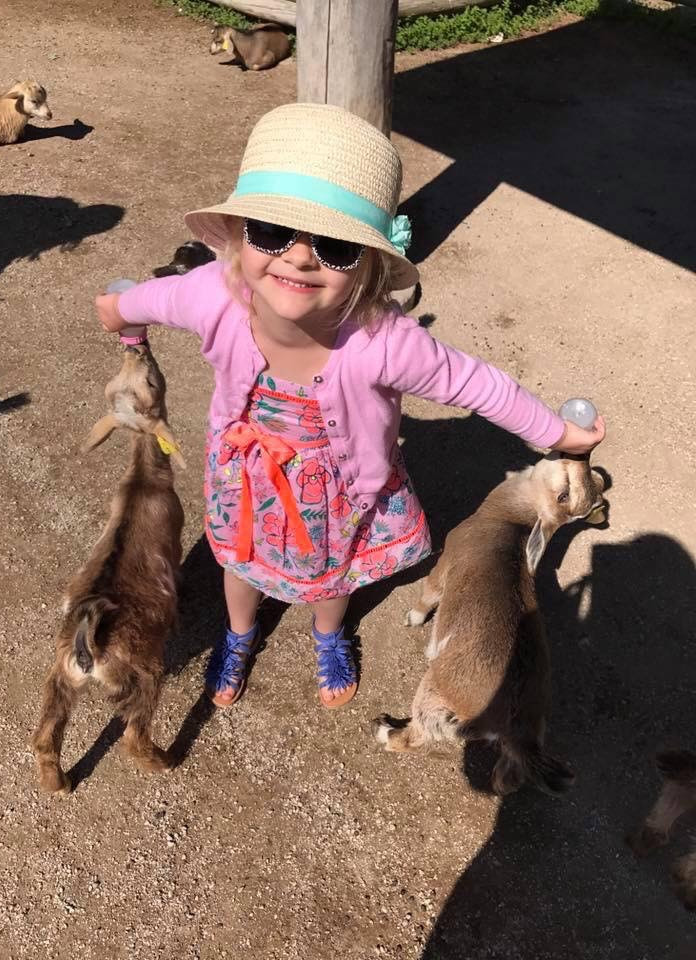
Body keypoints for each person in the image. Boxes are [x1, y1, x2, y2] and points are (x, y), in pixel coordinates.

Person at [95, 102, 605, 712]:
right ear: (238, 239)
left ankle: (328, 632)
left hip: (337, 493)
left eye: (335, 245)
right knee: (240, 562)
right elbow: (160, 296)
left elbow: (476, 383)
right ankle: (238, 633)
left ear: (367, 264)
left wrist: (557, 431)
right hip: (246, 476)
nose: (299, 256)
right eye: (272, 232)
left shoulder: (382, 338)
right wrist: (122, 312)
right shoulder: (216, 294)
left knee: (329, 575)